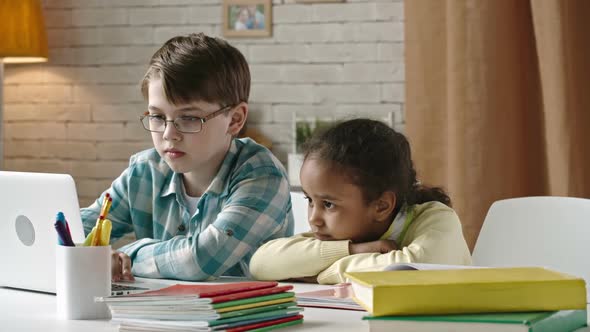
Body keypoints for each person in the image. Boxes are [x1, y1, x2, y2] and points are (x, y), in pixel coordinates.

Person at [81, 33, 293, 282]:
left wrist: (121, 256)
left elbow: (199, 259)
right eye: (158, 117)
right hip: (162, 315)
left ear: (235, 120)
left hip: (243, 317)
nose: (169, 134)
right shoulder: (145, 171)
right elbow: (75, 234)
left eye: (190, 118)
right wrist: (82, 250)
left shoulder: (262, 175)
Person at [249, 119, 471, 285]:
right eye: (309, 200)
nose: (313, 218)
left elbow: (414, 268)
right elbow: (260, 263)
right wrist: (353, 250)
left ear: (381, 206)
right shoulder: (342, 236)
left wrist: (326, 274)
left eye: (328, 204)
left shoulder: (437, 217)